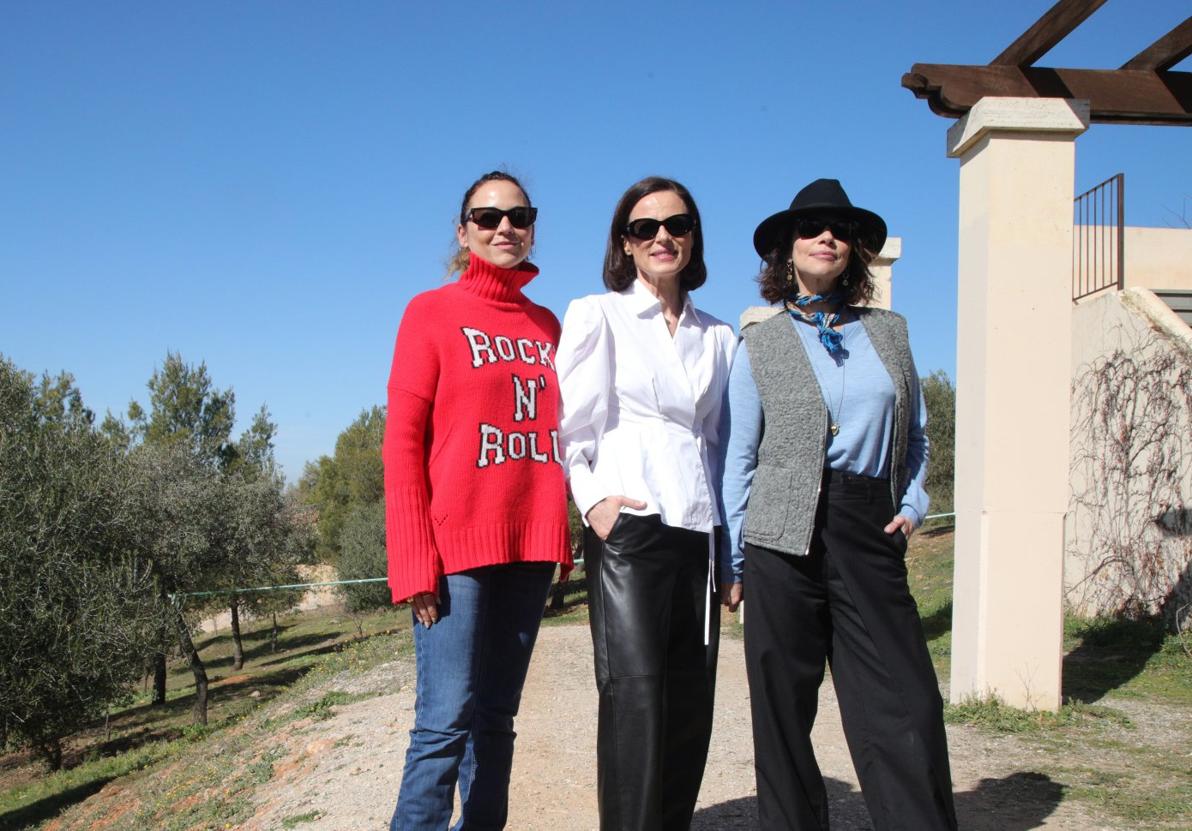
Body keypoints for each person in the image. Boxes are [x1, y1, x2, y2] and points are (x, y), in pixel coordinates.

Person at [721, 178, 958, 830]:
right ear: (786, 252)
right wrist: (734, 560)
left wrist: (911, 504)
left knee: (906, 700)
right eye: (811, 227)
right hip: (778, 532)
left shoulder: (890, 334)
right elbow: (739, 459)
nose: (826, 236)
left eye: (839, 229)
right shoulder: (760, 342)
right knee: (783, 710)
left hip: (867, 523)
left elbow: (916, 436)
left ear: (854, 250)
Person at [383, 170, 572, 831]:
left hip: (528, 551)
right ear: (463, 231)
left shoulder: (549, 325)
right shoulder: (428, 313)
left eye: (518, 216)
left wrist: (563, 532)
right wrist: (412, 563)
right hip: (454, 554)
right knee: (442, 722)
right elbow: (402, 444)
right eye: (487, 216)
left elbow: (563, 436)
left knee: (497, 720)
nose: (504, 228)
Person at [556, 176, 736, 831]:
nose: (662, 236)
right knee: (635, 699)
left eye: (676, 224)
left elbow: (717, 443)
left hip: (698, 532)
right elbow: (571, 424)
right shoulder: (597, 315)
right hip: (630, 528)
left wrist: (729, 551)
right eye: (645, 227)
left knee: (690, 704)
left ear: (693, 237)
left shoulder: (718, 337)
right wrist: (595, 501)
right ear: (625, 244)